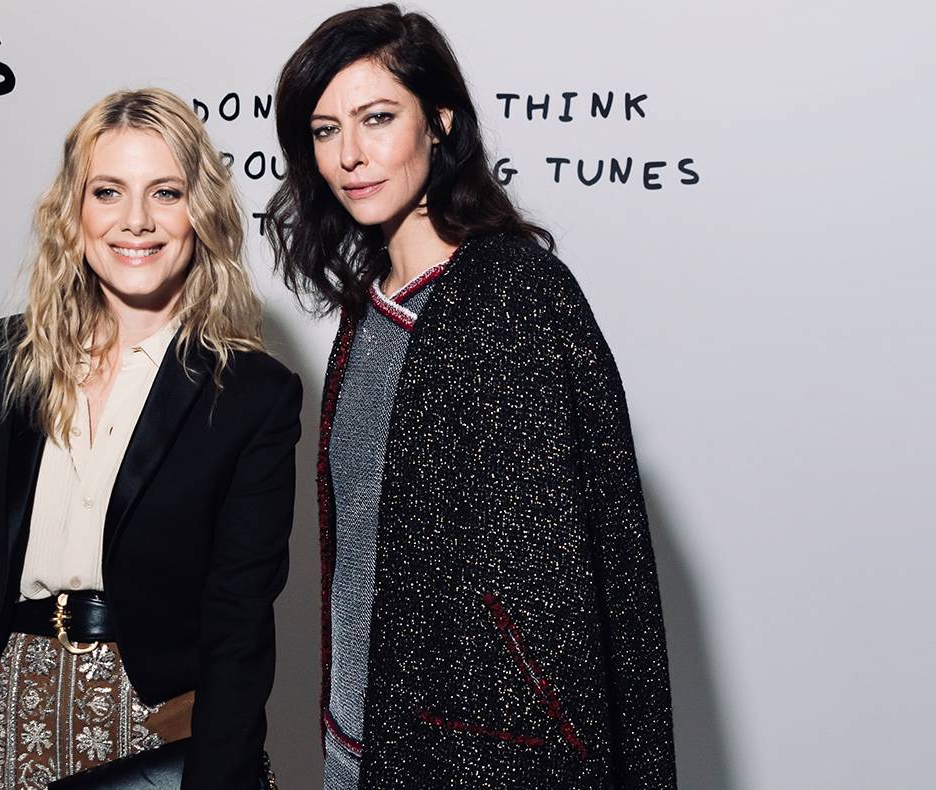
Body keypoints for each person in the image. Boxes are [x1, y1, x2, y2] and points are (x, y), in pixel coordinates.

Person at [264, 5, 676, 788]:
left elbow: (563, 584)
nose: (349, 154)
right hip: (357, 741)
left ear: (440, 122)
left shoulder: (514, 294)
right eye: (324, 130)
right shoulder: (369, 310)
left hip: (476, 758)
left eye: (377, 118)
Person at [0, 87, 299, 790]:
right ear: (73, 211)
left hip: (153, 733)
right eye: (108, 192)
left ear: (200, 211)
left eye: (165, 192)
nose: (135, 220)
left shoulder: (252, 395)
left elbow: (239, 627)